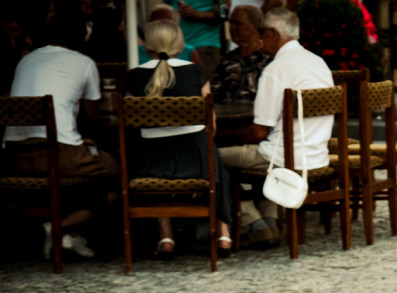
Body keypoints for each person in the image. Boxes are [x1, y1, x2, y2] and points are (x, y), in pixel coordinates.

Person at [3, 5, 118, 260]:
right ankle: (60, 227)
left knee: (78, 176)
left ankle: (70, 235)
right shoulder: (85, 62)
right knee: (116, 172)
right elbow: (92, 115)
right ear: (81, 36)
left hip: (13, 158)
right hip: (57, 153)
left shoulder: (27, 59)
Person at [219, 7, 333, 249]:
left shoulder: (275, 69)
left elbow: (260, 131)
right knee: (256, 151)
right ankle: (268, 220)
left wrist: (239, 140)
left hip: (281, 157)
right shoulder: (318, 63)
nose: (260, 37)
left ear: (272, 33)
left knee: (209, 157)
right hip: (317, 156)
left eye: (261, 32)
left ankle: (252, 220)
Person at [126, 19, 234, 259]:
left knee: (153, 149)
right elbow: (211, 125)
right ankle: (224, 235)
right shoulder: (195, 72)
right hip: (196, 161)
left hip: (150, 164)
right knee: (213, 155)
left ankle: (166, 238)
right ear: (179, 42)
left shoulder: (134, 76)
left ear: (149, 45)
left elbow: (130, 126)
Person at [210, 4, 269, 103]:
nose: (232, 28)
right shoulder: (228, 59)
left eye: (238, 24)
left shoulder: (268, 57)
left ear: (255, 26)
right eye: (231, 23)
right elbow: (214, 92)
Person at [139, 5, 203, 70]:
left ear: (176, 26)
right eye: (155, 24)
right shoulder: (136, 51)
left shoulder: (188, 51)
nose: (160, 28)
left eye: (165, 24)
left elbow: (200, 76)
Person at [173, 0, 224, 81]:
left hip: (203, 44)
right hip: (175, 48)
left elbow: (224, 13)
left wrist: (197, 14)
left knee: (206, 88)